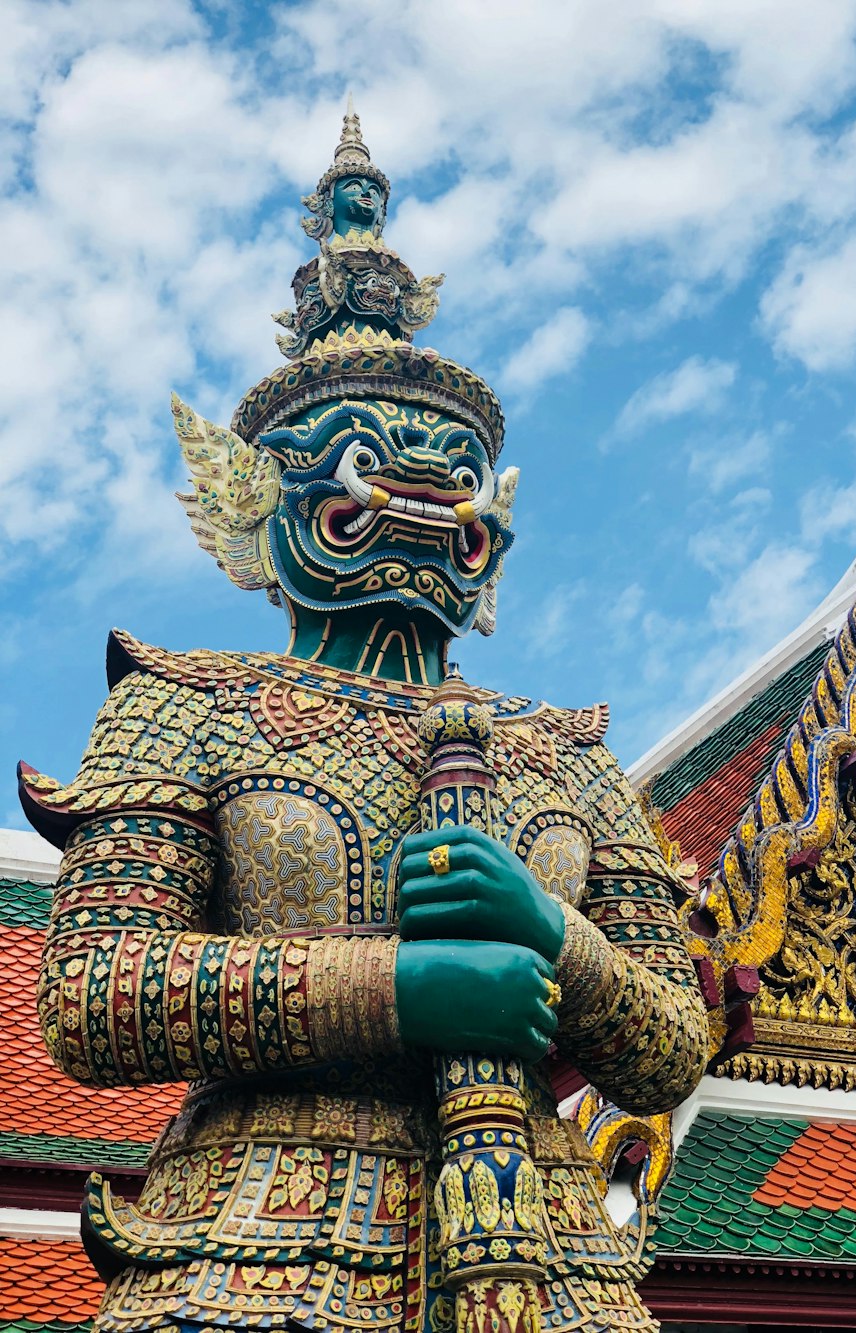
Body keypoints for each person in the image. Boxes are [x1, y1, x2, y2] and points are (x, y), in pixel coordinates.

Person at [23, 103, 708, 1333]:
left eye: (452, 472)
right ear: (259, 500)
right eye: (363, 458)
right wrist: (397, 990)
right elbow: (92, 988)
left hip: (546, 1245)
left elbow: (669, 1046)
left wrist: (549, 928)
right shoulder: (184, 707)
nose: (418, 494)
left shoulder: (568, 755)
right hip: (258, 1231)